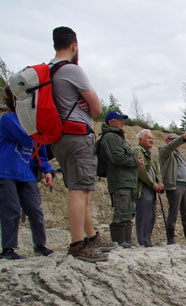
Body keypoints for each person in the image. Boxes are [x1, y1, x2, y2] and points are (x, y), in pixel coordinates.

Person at [49, 26, 115, 262]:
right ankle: (78, 244)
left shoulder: (48, 71)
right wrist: (86, 106)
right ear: (74, 45)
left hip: (59, 138)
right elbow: (97, 108)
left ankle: (91, 236)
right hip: (77, 135)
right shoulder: (71, 70)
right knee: (80, 190)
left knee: (81, 189)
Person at [0, 86, 54, 259]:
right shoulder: (8, 119)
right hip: (6, 173)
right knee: (12, 210)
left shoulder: (33, 125)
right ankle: (8, 249)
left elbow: (41, 150)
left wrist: (47, 170)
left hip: (27, 174)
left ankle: (40, 245)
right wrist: (41, 127)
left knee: (35, 210)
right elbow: (26, 138)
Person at [100, 111, 142, 248]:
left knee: (129, 211)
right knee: (122, 211)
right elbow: (117, 157)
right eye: (119, 120)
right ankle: (119, 242)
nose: (122, 122)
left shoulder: (118, 137)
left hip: (126, 181)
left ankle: (126, 241)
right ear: (111, 122)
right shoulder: (111, 137)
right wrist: (135, 162)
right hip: (120, 180)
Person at [158, 131, 186, 244]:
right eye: (172, 140)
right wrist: (181, 138)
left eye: (175, 139)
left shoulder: (177, 154)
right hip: (174, 185)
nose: (175, 142)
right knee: (173, 212)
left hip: (184, 184)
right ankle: (171, 239)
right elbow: (170, 147)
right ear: (167, 141)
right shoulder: (165, 151)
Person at [133, 129, 163, 247]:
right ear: (140, 140)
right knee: (144, 214)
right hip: (143, 187)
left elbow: (156, 170)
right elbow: (142, 172)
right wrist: (154, 184)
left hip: (150, 187)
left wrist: (159, 181)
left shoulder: (149, 152)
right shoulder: (138, 151)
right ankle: (143, 240)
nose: (151, 140)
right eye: (148, 138)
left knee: (151, 214)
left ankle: (147, 239)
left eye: (152, 138)